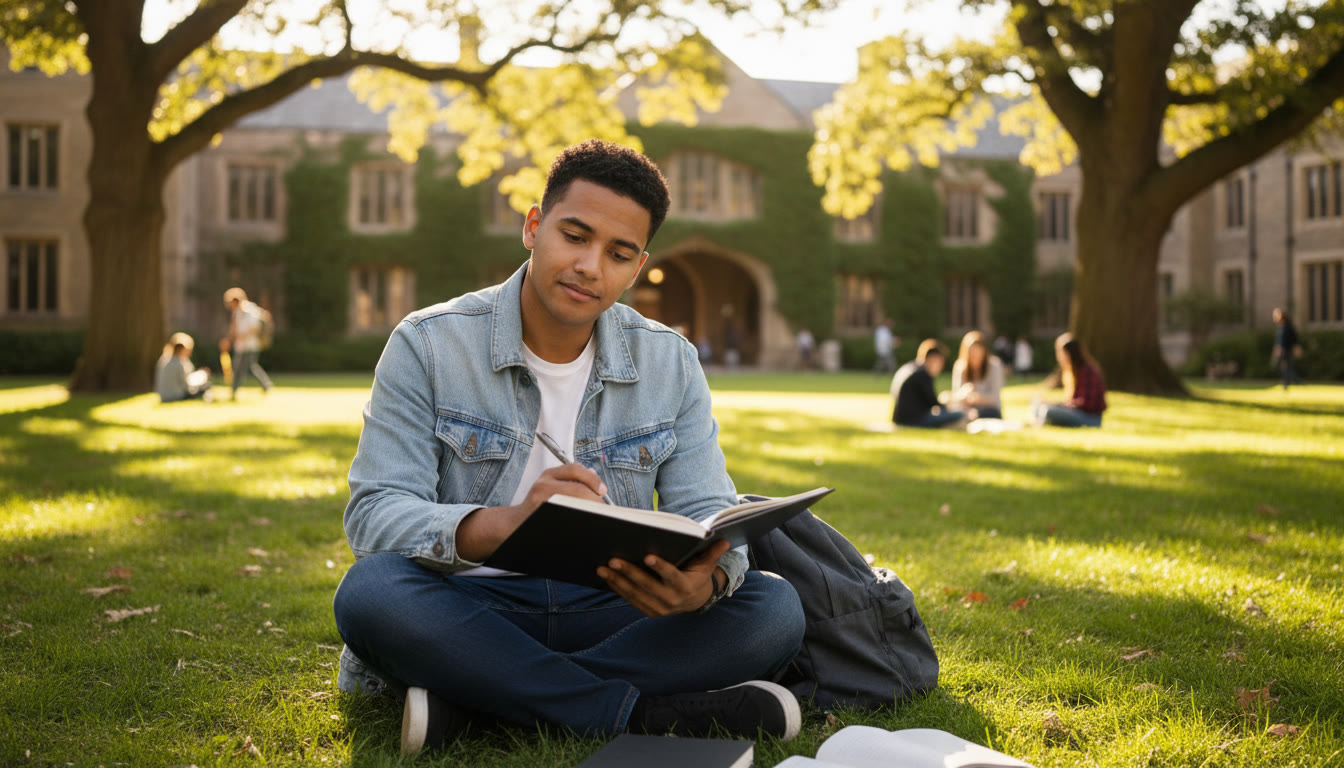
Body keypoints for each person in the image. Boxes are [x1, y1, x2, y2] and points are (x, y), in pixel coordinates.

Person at [331, 140, 805, 756]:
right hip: (470, 604)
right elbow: (374, 516)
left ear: (638, 268)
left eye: (618, 253)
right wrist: (504, 525)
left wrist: (708, 581)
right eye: (574, 236)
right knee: (372, 592)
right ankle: (647, 715)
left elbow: (707, 510)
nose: (589, 266)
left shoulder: (671, 361)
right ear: (533, 226)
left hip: (616, 608)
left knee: (774, 605)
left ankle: (481, 703)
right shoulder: (427, 343)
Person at [1032, 333, 1106, 428]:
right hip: (1078, 413)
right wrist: (1057, 404)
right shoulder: (1071, 372)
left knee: (1048, 411)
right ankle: (1039, 420)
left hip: (1090, 418)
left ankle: (1041, 420)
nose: (1059, 357)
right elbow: (1072, 401)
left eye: (1061, 353)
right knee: (1038, 404)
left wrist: (1061, 406)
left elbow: (1086, 404)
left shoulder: (1087, 371)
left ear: (1070, 354)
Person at [890, 339, 964, 429]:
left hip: (900, 418)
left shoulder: (910, 368)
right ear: (933, 359)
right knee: (959, 414)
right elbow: (933, 403)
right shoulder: (923, 374)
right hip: (913, 421)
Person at [221, 287, 273, 400]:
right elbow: (233, 329)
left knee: (245, 368)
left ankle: (235, 391)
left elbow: (256, 328)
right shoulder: (236, 313)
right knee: (248, 367)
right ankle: (265, 385)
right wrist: (229, 340)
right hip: (241, 345)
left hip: (250, 345)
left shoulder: (250, 310)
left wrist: (243, 336)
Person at [949, 331, 1003, 420]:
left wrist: (976, 398)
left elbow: (995, 398)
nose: (975, 359)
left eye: (978, 354)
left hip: (989, 409)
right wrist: (964, 398)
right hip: (966, 410)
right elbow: (957, 395)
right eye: (972, 355)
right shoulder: (960, 366)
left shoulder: (994, 365)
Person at [153, 332, 212, 402]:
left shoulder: (163, 359)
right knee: (206, 386)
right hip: (176, 396)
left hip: (163, 396)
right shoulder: (179, 364)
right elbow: (185, 387)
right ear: (183, 349)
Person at [1271, 307, 1301, 390]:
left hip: (1287, 350)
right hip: (1281, 350)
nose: (1275, 317)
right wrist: (1276, 349)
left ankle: (1291, 382)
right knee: (1283, 367)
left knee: (1287, 367)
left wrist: (1296, 347)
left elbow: (1294, 338)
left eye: (1276, 315)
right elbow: (1278, 340)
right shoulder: (1280, 327)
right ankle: (1292, 381)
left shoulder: (1288, 326)